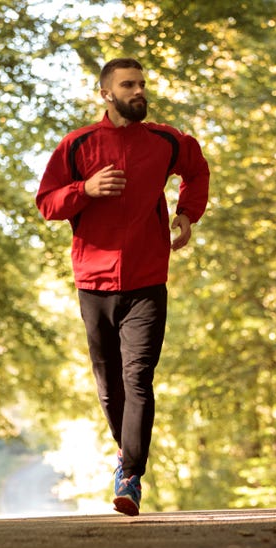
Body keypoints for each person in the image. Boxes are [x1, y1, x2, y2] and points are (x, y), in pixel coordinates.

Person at [35, 57, 210, 516]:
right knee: (109, 385)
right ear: (105, 94)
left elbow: (198, 171)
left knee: (139, 377)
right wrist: (85, 190)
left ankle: (130, 475)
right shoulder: (78, 146)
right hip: (92, 281)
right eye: (128, 85)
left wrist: (187, 214)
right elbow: (47, 203)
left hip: (148, 278)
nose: (138, 92)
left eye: (142, 84)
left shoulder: (167, 140)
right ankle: (125, 451)